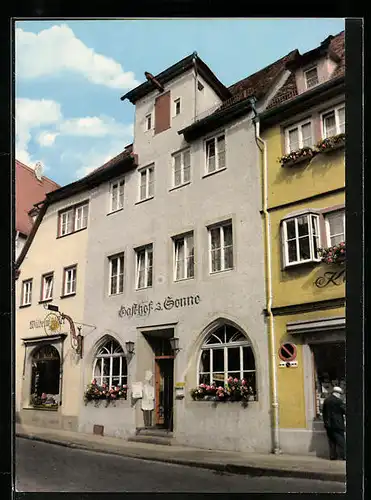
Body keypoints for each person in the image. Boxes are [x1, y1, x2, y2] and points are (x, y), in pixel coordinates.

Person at [322, 386, 346, 460]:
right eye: (340, 394)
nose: (340, 395)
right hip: (337, 424)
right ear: (337, 393)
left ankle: (332, 456)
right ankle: (344, 455)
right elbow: (345, 411)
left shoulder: (326, 400)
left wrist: (326, 422)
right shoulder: (338, 401)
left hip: (328, 425)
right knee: (341, 441)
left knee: (331, 441)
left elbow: (324, 412)